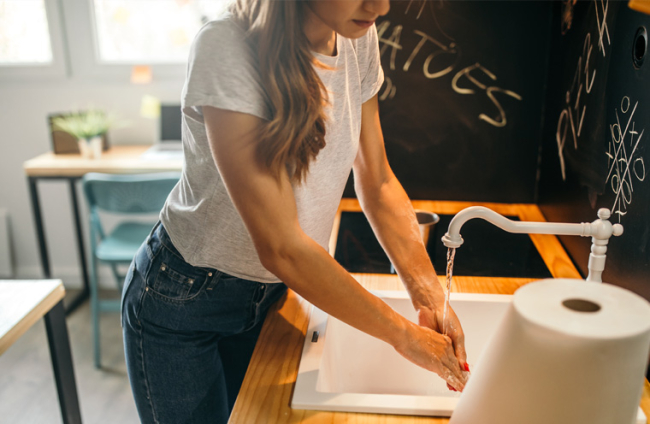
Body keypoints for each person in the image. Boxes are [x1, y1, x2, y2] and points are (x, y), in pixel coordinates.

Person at [121, 0, 470, 423]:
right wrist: (403, 336)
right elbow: (281, 247)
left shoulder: (357, 34)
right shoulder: (227, 47)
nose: (381, 6)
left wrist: (432, 296)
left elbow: (377, 180)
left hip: (272, 295)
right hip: (184, 301)